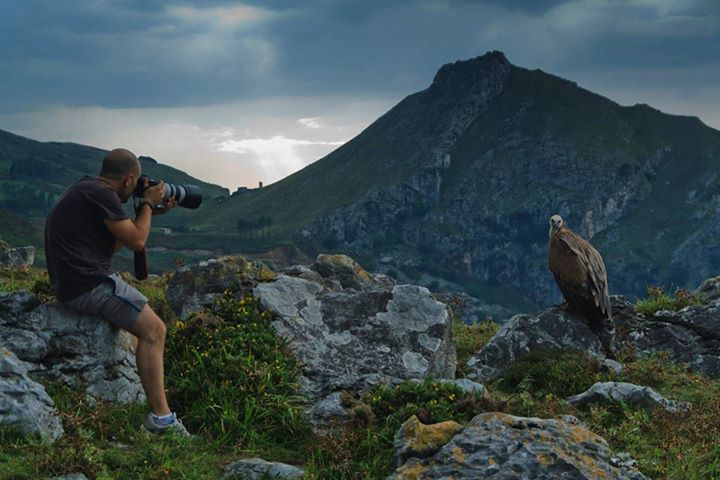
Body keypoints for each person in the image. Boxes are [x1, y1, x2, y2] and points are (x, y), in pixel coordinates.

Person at [44, 148, 189, 436]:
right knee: (155, 330)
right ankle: (162, 420)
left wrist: (148, 213)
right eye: (136, 185)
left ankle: (154, 408)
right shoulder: (102, 195)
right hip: (88, 283)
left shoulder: (86, 188)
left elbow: (114, 244)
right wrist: (147, 205)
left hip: (72, 283)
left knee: (146, 330)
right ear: (128, 179)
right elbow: (137, 241)